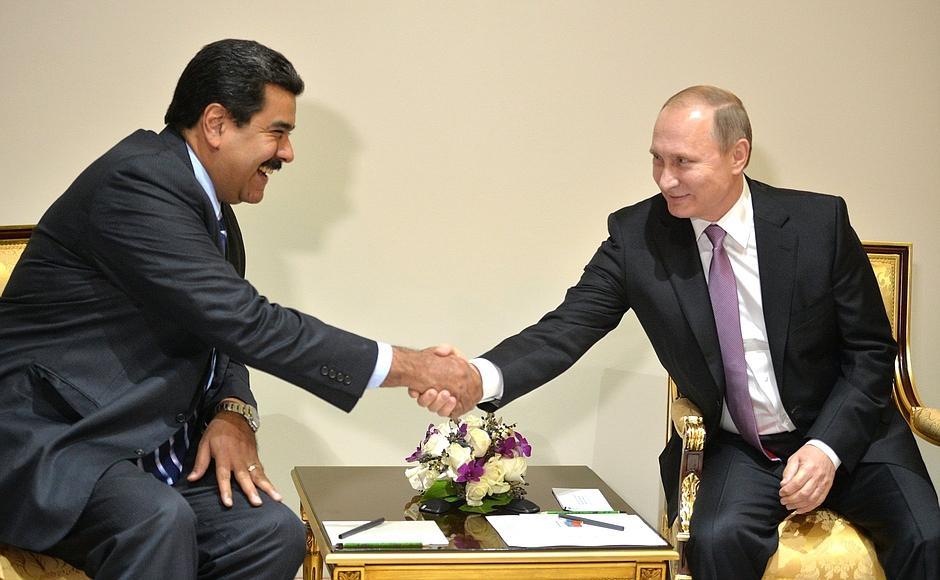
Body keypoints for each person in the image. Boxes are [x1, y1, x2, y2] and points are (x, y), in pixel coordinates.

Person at [0, 39, 478, 579]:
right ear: (216, 124)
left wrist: (233, 411)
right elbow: (247, 322)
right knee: (154, 521)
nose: (287, 153)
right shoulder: (137, 184)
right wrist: (414, 367)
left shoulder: (208, 208)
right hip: (55, 442)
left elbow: (218, 333)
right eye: (278, 132)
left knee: (270, 534)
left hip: (139, 446)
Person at [419, 85, 939, 578]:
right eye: (657, 159)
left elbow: (870, 350)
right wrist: (476, 377)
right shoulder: (637, 237)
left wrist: (827, 447)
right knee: (716, 538)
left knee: (927, 538)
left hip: (851, 433)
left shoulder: (817, 223)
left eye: (684, 162)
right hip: (742, 446)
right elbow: (566, 327)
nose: (665, 179)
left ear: (738, 155)